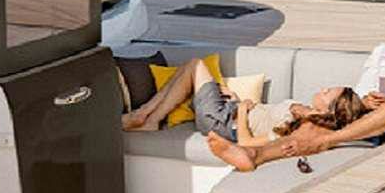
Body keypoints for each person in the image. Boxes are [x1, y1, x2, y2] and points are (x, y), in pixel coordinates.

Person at [208, 0, 385, 172]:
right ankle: (254, 155)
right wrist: (365, 100)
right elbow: (359, 92)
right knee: (310, 125)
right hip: (363, 116)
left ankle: (325, 141)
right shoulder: (383, 52)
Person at [123, 56, 368, 145]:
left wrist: (241, 110)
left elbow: (246, 142)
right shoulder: (303, 112)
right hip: (227, 111)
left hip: (221, 123)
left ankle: (146, 116)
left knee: (196, 65)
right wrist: (238, 101)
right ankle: (148, 116)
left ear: (327, 110)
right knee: (191, 67)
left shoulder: (300, 128)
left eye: (327, 93)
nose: (322, 89)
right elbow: (261, 117)